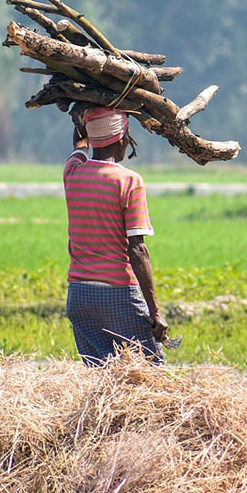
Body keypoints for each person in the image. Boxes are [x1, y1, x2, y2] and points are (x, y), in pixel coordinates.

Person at [63, 106, 168, 366]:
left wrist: (83, 113)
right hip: (117, 294)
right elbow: (137, 250)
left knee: (100, 375)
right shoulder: (129, 181)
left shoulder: (72, 172)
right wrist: (155, 311)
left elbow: (79, 144)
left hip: (80, 296)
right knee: (149, 370)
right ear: (122, 139)